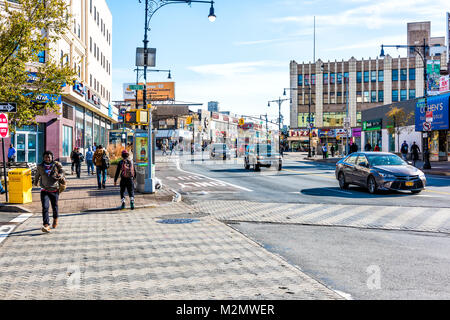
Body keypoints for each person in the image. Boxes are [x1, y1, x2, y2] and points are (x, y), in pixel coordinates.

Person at [33, 150, 65, 233]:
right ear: (43, 158)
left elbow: (62, 171)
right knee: (45, 207)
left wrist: (60, 175)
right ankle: (46, 225)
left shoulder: (56, 165)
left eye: (49, 157)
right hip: (44, 189)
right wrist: (35, 182)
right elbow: (37, 175)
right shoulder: (40, 166)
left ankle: (55, 218)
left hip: (54, 189)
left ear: (52, 158)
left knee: (54, 207)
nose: (47, 159)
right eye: (45, 157)